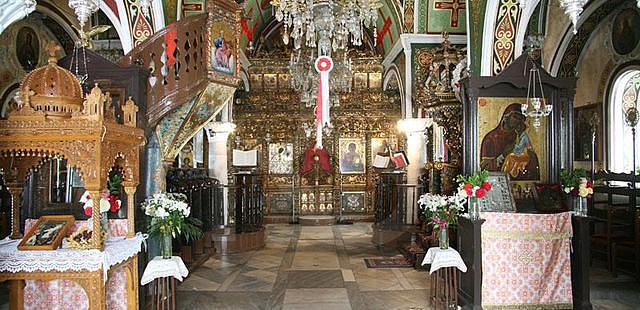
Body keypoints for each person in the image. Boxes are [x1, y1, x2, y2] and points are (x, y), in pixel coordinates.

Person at [480, 103, 540, 180]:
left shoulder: (519, 136)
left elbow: (531, 157)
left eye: (520, 119)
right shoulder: (491, 138)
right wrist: (503, 155)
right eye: (515, 117)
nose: (517, 121)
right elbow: (485, 169)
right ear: (506, 116)